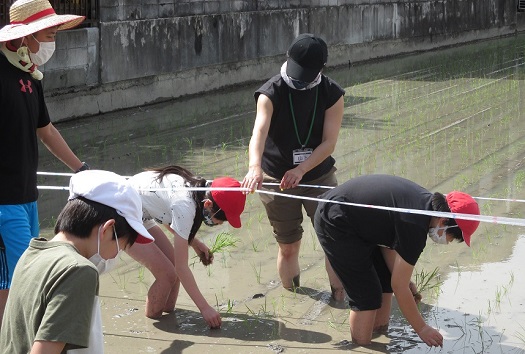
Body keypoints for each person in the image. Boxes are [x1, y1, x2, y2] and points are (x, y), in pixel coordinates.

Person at [313, 174, 481, 347]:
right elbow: (399, 287)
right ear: (444, 221)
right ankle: (362, 347)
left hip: (356, 220)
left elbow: (389, 241)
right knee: (366, 295)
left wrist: (405, 279)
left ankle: (379, 334)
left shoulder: (423, 205)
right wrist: (422, 328)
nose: (449, 241)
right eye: (452, 236)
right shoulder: (415, 225)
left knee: (385, 279)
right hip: (336, 221)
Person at [0, 0, 88, 325]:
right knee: (30, 276)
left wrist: (80, 168)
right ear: (28, 36)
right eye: (49, 34)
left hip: (28, 197)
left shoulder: (31, 76)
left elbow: (46, 130)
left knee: (10, 279)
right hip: (4, 201)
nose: (52, 42)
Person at [0, 170, 155, 353]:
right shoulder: (78, 271)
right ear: (107, 229)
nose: (115, 256)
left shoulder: (30, 254)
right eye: (120, 247)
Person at [241, 33, 346, 299]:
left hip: (318, 176)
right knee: (288, 245)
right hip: (276, 179)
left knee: (333, 241)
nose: (299, 78)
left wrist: (301, 169)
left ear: (320, 70)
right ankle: (293, 299)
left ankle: (340, 298)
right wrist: (255, 167)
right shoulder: (271, 92)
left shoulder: (331, 94)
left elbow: (329, 143)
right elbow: (259, 134)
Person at [127, 165, 246, 328]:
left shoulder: (197, 189)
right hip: (123, 215)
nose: (219, 224)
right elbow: (181, 267)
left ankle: (167, 318)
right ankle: (150, 327)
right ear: (208, 204)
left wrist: (195, 243)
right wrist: (205, 308)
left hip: (144, 214)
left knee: (172, 272)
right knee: (168, 274)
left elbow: (167, 216)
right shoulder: (185, 204)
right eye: (221, 219)